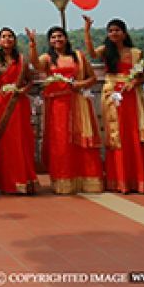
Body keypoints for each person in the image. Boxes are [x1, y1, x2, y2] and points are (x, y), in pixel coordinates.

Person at [84, 17, 144, 193]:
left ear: (124, 33)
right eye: (110, 31)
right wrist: (87, 30)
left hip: (131, 95)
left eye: (117, 30)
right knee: (116, 136)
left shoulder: (137, 53)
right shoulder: (106, 51)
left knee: (133, 134)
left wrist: (134, 83)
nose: (113, 33)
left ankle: (139, 179)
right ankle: (119, 181)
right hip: (112, 94)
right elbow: (92, 53)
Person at [26, 26, 103, 194]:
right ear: (50, 41)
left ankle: (87, 179)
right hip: (57, 106)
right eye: (53, 37)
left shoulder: (79, 57)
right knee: (61, 143)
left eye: (60, 36)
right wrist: (32, 45)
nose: (57, 39)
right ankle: (64, 180)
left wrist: (80, 84)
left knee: (81, 142)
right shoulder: (48, 58)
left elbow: (93, 78)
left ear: (66, 38)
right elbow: (36, 65)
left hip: (78, 103)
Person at [0, 27, 40, 195]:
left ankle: (24, 179)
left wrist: (25, 90)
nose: (7, 39)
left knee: (22, 139)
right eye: (3, 36)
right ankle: (7, 182)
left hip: (19, 102)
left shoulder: (22, 59)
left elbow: (30, 81)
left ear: (14, 40)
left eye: (10, 36)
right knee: (6, 142)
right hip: (2, 103)